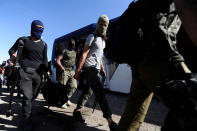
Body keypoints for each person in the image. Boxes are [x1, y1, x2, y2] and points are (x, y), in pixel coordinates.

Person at [114, 1, 194, 131]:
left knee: (133, 114)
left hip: (139, 60)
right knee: (190, 108)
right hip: (162, 57)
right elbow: (186, 9)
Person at [73, 14, 117, 131]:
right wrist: (78, 71)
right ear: (98, 24)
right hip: (89, 67)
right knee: (100, 92)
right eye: (101, 24)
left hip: (96, 68)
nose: (103, 26)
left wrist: (102, 68)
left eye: (105, 25)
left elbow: (99, 56)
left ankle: (77, 111)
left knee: (88, 91)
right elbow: (84, 54)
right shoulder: (91, 36)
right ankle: (110, 121)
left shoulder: (103, 41)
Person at [9, 20, 48, 129]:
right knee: (27, 95)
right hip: (25, 71)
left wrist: (47, 72)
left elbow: (45, 61)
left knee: (33, 96)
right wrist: (13, 57)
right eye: (37, 29)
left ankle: (27, 108)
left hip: (38, 74)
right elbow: (11, 50)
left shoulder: (44, 44)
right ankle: (26, 120)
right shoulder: (23, 40)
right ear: (32, 29)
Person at [56, 38, 77, 108]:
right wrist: (61, 67)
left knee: (73, 86)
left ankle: (66, 99)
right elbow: (58, 60)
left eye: (73, 45)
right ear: (69, 44)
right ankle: (61, 101)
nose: (72, 46)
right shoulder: (64, 51)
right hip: (64, 70)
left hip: (72, 71)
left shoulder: (75, 53)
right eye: (71, 44)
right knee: (62, 87)